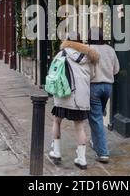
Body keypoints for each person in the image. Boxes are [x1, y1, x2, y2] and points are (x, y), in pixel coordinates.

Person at [48, 31, 99, 170]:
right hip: (80, 98)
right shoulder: (89, 57)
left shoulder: (61, 54)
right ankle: (82, 159)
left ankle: (57, 151)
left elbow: (53, 72)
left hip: (64, 94)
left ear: (67, 40)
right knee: (80, 127)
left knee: (57, 121)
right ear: (80, 41)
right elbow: (93, 76)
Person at [87, 27, 120, 164]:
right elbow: (116, 69)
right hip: (108, 87)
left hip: (94, 86)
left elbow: (86, 70)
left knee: (96, 118)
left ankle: (103, 152)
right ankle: (95, 142)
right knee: (98, 116)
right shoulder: (110, 50)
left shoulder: (88, 49)